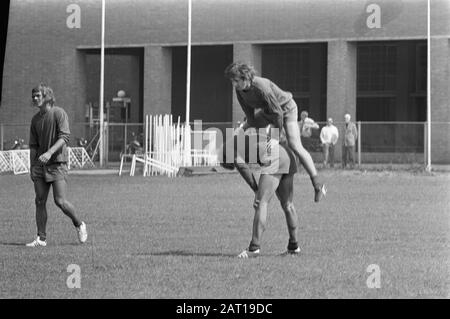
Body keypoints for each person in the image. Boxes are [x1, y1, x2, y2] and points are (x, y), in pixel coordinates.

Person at [224, 62, 326, 203]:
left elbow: (278, 112)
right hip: (269, 112)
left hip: (286, 109)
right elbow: (251, 117)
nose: (234, 84)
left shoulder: (261, 87)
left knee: (295, 145)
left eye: (236, 81)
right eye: (232, 81)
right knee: (241, 131)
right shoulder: (239, 91)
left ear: (245, 77)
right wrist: (242, 132)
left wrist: (275, 137)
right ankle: (231, 159)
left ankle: (318, 184)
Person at [222, 115, 301, 258]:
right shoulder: (245, 136)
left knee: (261, 203)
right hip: (287, 154)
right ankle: (294, 246)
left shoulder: (232, 149)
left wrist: (257, 190)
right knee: (288, 204)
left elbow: (243, 168)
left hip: (275, 156)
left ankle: (254, 248)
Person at [26, 83, 87, 247]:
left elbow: (64, 137)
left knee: (60, 201)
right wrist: (32, 167)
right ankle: (41, 238)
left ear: (47, 96)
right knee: (39, 201)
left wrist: (49, 153)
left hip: (57, 164)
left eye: (38, 95)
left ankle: (79, 224)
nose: (35, 98)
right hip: (40, 166)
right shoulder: (35, 119)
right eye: (33, 96)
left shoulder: (59, 113)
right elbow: (33, 146)